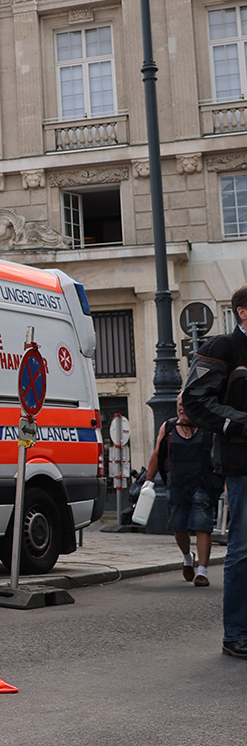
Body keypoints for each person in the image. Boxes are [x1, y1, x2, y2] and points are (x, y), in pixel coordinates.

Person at [182, 283, 247, 660]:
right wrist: (239, 422)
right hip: (242, 464)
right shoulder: (223, 347)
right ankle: (236, 634)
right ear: (243, 311)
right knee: (243, 548)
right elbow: (194, 399)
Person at [143, 394, 221, 587]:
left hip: (202, 485)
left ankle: (202, 572)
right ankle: (187, 558)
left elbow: (219, 455)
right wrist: (148, 481)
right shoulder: (169, 427)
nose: (182, 408)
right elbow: (157, 454)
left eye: (186, 405)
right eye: (180, 404)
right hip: (176, 485)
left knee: (202, 525)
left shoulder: (207, 428)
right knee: (178, 527)